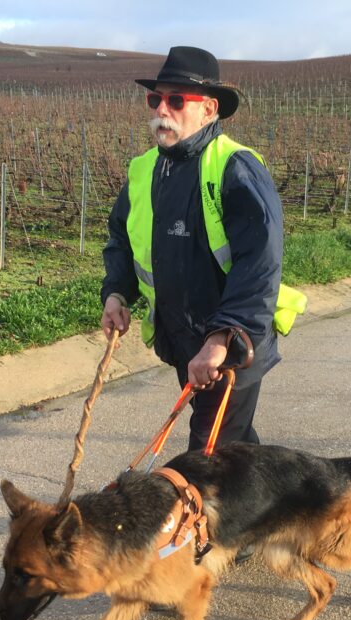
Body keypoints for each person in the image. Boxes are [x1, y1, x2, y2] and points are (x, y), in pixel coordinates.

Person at [101, 46, 295, 454]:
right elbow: (121, 237)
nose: (162, 110)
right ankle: (275, 508)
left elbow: (259, 263)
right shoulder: (145, 170)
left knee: (206, 462)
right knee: (235, 452)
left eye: (176, 100)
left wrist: (222, 337)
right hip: (185, 343)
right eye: (155, 99)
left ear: (209, 110)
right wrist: (117, 293)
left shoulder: (234, 168)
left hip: (230, 349)